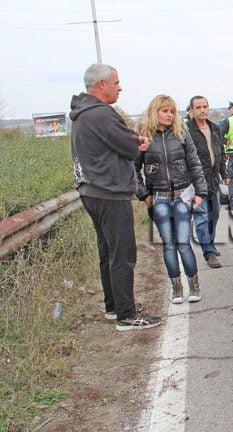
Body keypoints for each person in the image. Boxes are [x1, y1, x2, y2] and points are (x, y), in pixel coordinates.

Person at [70, 63, 162, 332]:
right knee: (123, 255)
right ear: (102, 84)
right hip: (110, 192)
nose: (120, 88)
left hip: (91, 190)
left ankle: (113, 306)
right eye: (116, 83)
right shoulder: (101, 113)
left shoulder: (81, 113)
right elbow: (130, 146)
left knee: (107, 251)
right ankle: (127, 314)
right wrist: (139, 143)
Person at [135, 95, 208, 304]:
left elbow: (194, 164)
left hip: (182, 196)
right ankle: (176, 288)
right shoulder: (144, 136)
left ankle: (194, 286)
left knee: (183, 243)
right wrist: (144, 195)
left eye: (172, 111)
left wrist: (200, 193)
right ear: (155, 112)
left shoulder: (181, 134)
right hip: (158, 198)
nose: (169, 115)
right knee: (168, 244)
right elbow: (133, 169)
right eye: (165, 111)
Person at [186, 95, 227, 268]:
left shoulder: (215, 128)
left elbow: (220, 151)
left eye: (205, 106)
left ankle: (209, 241)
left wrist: (224, 172)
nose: (202, 110)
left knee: (214, 214)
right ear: (192, 111)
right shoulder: (186, 130)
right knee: (201, 216)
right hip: (196, 181)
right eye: (198, 107)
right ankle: (208, 252)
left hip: (213, 179)